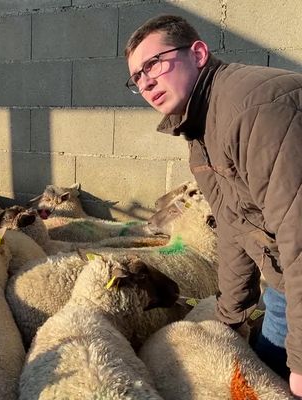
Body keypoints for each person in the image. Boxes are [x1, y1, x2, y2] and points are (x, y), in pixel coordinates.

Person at [124, 14, 302, 396]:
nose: (146, 81)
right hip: (284, 281)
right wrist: (229, 320)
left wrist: (301, 358)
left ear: (199, 53)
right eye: (137, 77)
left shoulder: (255, 110)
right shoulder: (201, 134)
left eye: (153, 63)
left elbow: (298, 232)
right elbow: (234, 229)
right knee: (262, 372)